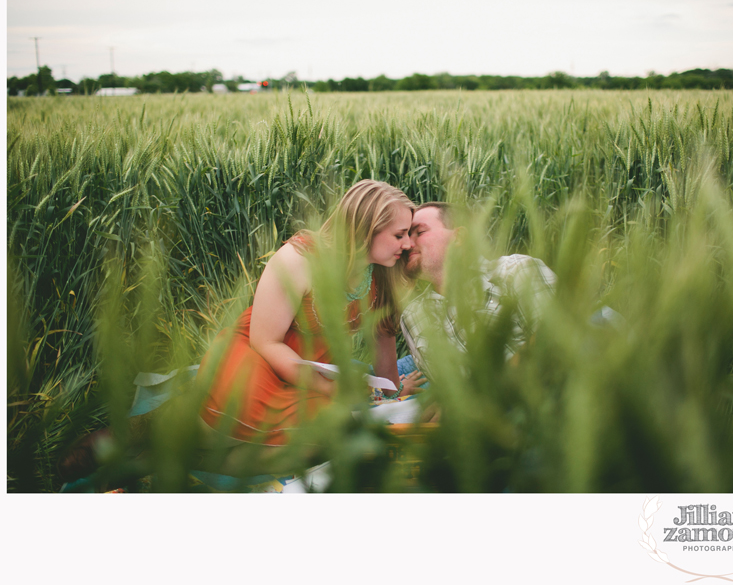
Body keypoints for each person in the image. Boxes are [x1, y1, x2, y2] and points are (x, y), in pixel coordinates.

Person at [198, 179, 424, 447]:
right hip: (260, 355)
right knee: (271, 416)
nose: (408, 244)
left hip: (314, 367)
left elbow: (382, 334)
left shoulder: (383, 271)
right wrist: (328, 388)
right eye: (399, 235)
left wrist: (391, 394)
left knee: (342, 430)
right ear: (365, 230)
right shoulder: (299, 260)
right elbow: (265, 341)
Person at [398, 202, 557, 390]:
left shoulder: (518, 272)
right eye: (404, 236)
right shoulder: (412, 317)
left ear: (458, 237)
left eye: (419, 232)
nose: (407, 244)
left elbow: (560, 341)